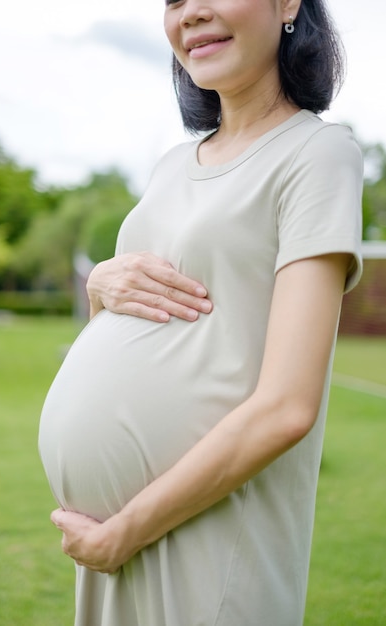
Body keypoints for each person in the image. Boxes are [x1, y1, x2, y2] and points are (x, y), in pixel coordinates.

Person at [38, 0, 363, 624]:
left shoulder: (318, 154)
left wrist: (126, 530)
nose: (190, 13)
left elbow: (289, 407)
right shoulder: (170, 167)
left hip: (204, 533)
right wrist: (100, 289)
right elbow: (144, 332)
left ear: (289, 4)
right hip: (118, 537)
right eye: (174, 0)